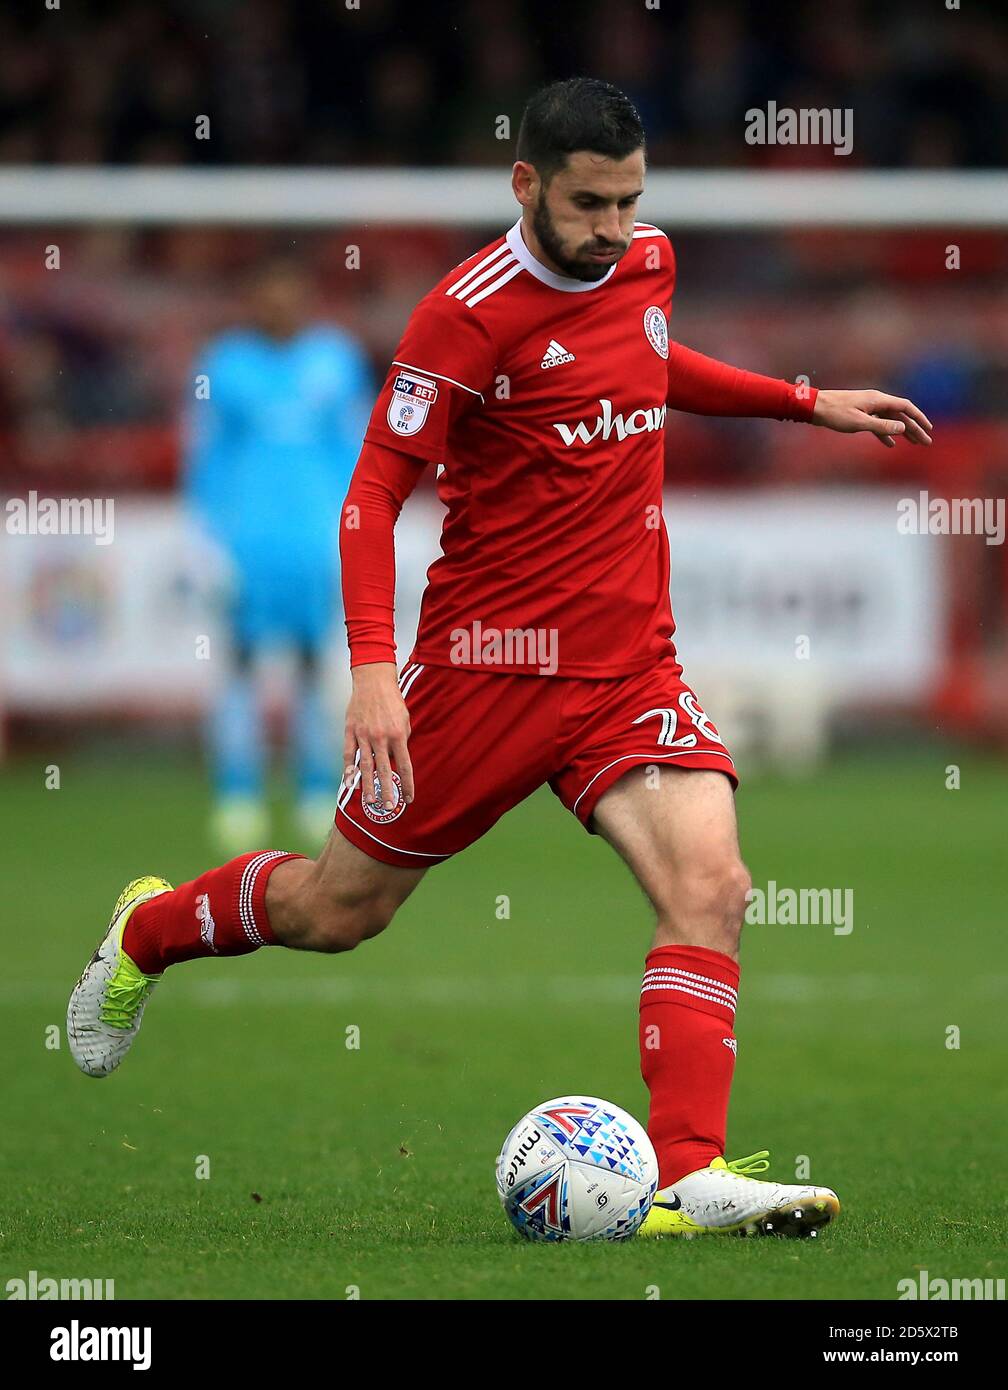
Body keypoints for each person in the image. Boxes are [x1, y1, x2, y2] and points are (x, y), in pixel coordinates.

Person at [68, 79, 931, 1239]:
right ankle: (147, 930)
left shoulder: (647, 261)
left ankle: (690, 1171)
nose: (614, 229)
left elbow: (648, 363)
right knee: (340, 910)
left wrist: (804, 402)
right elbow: (373, 495)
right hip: (485, 671)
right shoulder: (463, 317)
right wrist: (375, 666)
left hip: (630, 666)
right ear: (525, 183)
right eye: (589, 204)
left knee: (710, 887)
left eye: (630, 201)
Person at [184, 255, 373, 848]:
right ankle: (238, 795)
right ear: (254, 298)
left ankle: (318, 790)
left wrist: (358, 531)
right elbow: (205, 456)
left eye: (289, 290)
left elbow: (361, 450)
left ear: (305, 295)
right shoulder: (225, 365)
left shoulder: (335, 360)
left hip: (316, 542)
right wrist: (205, 540)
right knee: (240, 666)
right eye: (268, 291)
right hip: (248, 545)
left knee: (318, 671)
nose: (279, 303)